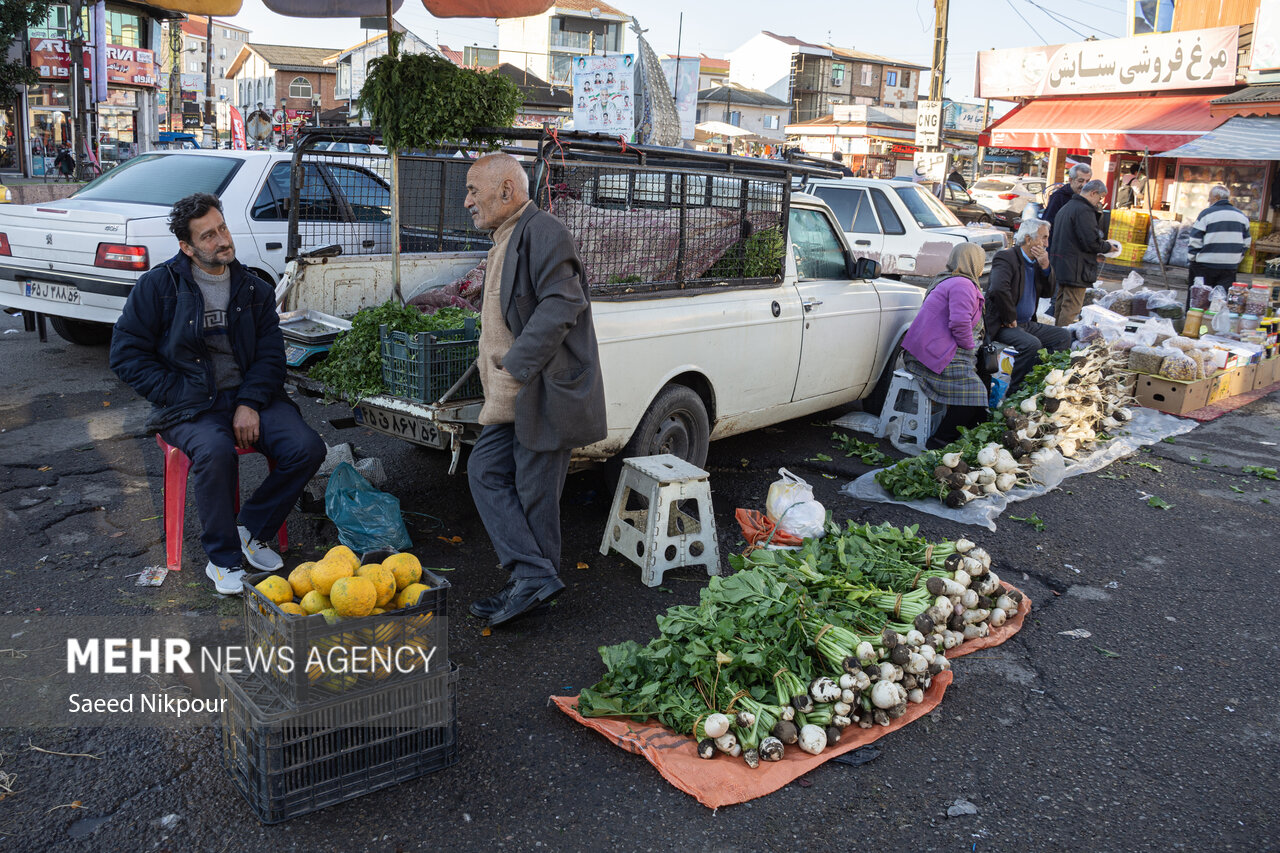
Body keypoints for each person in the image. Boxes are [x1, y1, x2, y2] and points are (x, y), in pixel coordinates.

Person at [109, 193, 326, 595]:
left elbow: (270, 355)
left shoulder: (253, 288)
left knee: (307, 447)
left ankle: (251, 527)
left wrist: (249, 403)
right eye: (208, 236)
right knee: (215, 451)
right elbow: (126, 356)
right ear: (186, 247)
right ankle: (222, 559)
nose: (222, 240)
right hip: (189, 406)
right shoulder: (158, 287)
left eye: (222, 228)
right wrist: (176, 392)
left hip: (249, 398)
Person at [462, 153, 607, 627]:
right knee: (486, 469)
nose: (467, 202)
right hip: (512, 393)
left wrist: (517, 363)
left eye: (473, 191)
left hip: (541, 389)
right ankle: (532, 578)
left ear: (506, 190)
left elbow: (564, 302)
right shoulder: (506, 236)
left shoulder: (542, 230)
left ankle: (533, 587)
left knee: (534, 492)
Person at [900, 243, 989, 447]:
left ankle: (967, 435)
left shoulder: (949, 279)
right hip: (930, 357)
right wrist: (968, 347)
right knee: (975, 392)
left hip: (928, 352)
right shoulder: (962, 285)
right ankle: (940, 441)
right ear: (975, 263)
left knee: (980, 382)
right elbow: (959, 323)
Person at [986, 219, 1074, 391]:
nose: (1046, 244)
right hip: (1004, 323)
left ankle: (1038, 381)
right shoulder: (1006, 257)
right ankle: (1016, 391)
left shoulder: (1036, 262)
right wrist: (1009, 316)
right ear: (1028, 239)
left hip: (1026, 323)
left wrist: (1046, 266)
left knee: (1063, 336)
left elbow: (1049, 292)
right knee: (1031, 344)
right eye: (1043, 238)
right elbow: (998, 289)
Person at [1049, 178, 1112, 327]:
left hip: (1062, 265)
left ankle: (1056, 336)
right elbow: (1091, 241)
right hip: (1076, 268)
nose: (1099, 202)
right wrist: (1108, 247)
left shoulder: (1067, 207)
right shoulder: (1084, 210)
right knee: (1071, 307)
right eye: (1100, 197)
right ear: (1093, 193)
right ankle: (1062, 341)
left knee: (1062, 303)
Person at [1187, 185, 1252, 306]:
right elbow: (1247, 242)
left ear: (1216, 197)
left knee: (1198, 300)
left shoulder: (1206, 214)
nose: (1208, 201)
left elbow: (1195, 239)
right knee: (1221, 301)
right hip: (1229, 266)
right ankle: (1215, 323)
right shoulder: (1242, 216)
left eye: (1210, 198)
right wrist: (1237, 258)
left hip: (1204, 265)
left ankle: (1195, 322)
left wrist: (1193, 258)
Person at [1043, 163, 1092, 227]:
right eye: (1080, 181)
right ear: (1070, 180)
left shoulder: (1087, 197)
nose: (1084, 185)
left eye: (1087, 181)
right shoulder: (1059, 197)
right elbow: (1048, 223)